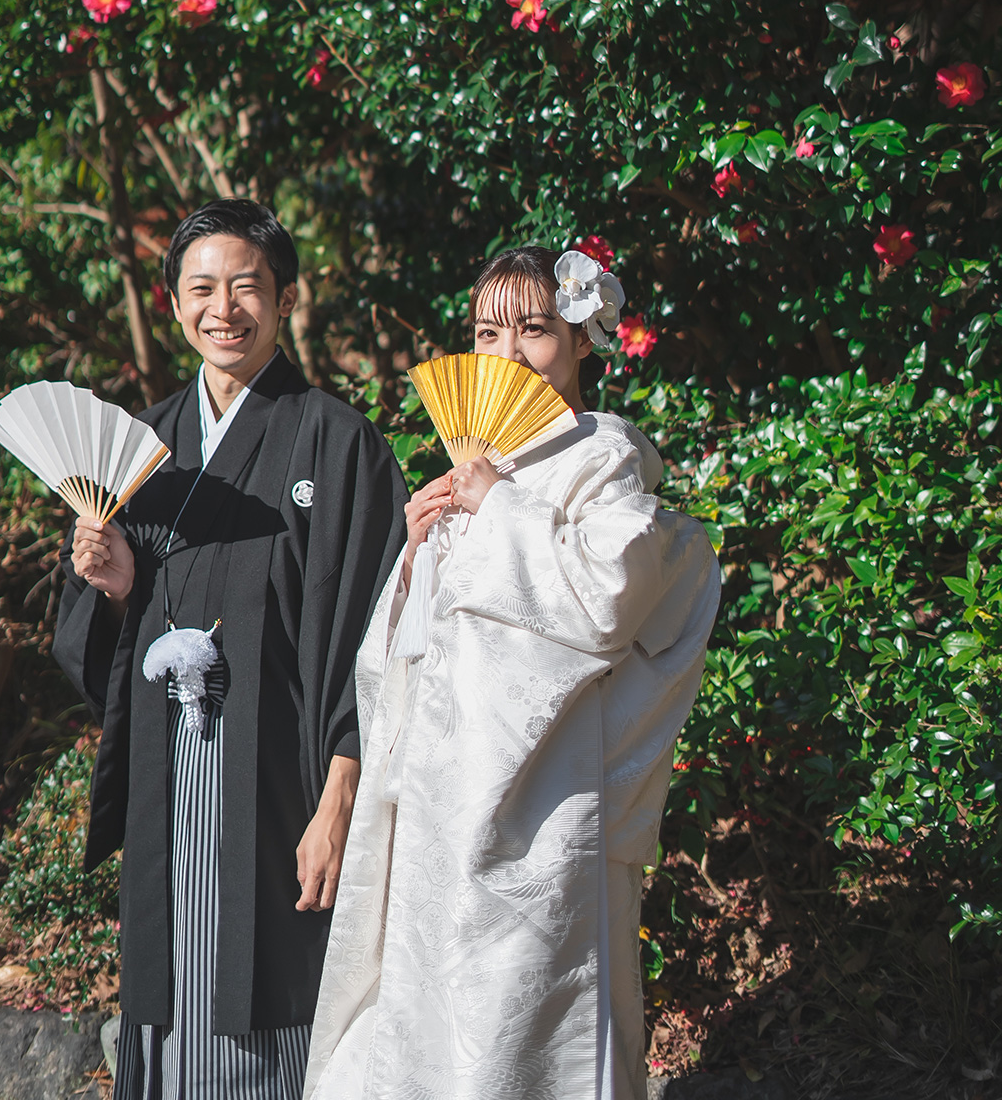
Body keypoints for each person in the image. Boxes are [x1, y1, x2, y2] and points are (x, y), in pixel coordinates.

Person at [303, 243, 721, 1100]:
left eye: (533, 329)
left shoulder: (604, 463)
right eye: (488, 332)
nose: (506, 354)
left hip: (541, 815)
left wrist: (496, 509)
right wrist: (416, 562)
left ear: (581, 341)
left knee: (519, 1035)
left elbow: (606, 604)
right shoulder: (472, 469)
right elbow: (401, 666)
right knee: (418, 1028)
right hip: (433, 812)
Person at [53, 200, 408, 1100]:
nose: (224, 309)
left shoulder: (338, 442)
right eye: (201, 288)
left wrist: (341, 795)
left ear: (284, 299)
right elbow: (95, 653)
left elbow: (376, 635)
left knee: (277, 986)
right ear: (173, 304)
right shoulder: (140, 446)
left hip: (284, 782)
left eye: (247, 286)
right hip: (169, 776)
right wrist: (117, 584)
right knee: (172, 992)